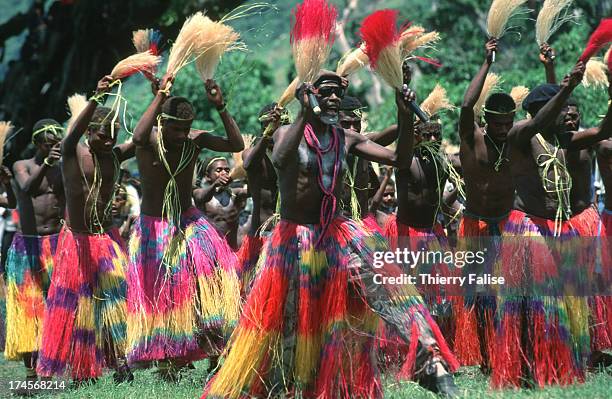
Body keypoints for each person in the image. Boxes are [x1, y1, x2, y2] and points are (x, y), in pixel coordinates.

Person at [203, 70, 458, 399]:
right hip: (295, 241)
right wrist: (305, 114)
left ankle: (430, 363)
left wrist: (404, 113)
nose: (334, 97)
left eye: (338, 91)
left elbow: (399, 158)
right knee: (292, 326)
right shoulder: (285, 133)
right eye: (326, 91)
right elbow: (280, 159)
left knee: (392, 286)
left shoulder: (345, 138)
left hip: (339, 233)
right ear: (310, 94)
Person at [497, 61, 611, 388]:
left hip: (557, 229)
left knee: (562, 300)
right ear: (541, 111)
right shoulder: (521, 134)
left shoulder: (564, 141)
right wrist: (567, 88)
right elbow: (542, 118)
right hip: (527, 229)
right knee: (532, 303)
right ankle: (525, 366)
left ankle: (559, 362)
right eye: (558, 110)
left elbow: (603, 131)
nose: (567, 116)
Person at [127, 74, 243, 379]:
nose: (182, 134)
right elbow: (138, 138)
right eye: (176, 128)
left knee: (208, 282)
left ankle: (212, 349)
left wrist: (220, 107)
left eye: (186, 128)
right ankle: (167, 360)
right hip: (156, 227)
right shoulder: (149, 139)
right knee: (165, 293)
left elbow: (236, 144)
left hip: (189, 220)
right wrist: (160, 96)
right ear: (162, 122)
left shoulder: (196, 139)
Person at [36, 75, 135, 383]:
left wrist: (159, 95)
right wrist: (97, 96)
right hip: (76, 241)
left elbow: (143, 136)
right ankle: (81, 370)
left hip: (105, 238)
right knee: (78, 306)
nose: (110, 140)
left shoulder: (113, 156)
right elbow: (70, 137)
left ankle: (121, 363)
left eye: (114, 134)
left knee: (116, 300)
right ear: (90, 131)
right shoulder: (73, 153)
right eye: (104, 134)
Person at [454, 39, 517, 369]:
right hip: (475, 224)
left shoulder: (517, 139)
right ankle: (480, 354)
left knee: (506, 292)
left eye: (509, 123)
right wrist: (487, 63)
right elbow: (466, 106)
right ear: (487, 120)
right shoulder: (472, 136)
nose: (504, 130)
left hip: (507, 226)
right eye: (498, 124)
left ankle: (506, 350)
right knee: (477, 293)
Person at [5, 118, 63, 382]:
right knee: (30, 308)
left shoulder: (62, 167)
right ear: (38, 143)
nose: (54, 148)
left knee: (59, 306)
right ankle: (31, 371)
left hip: (58, 242)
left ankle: (54, 364)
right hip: (28, 244)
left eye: (57, 143)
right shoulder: (22, 166)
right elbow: (26, 190)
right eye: (49, 144)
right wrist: (48, 164)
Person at [193, 157, 248, 251]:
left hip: (231, 251)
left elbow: (256, 192)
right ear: (207, 176)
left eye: (227, 170)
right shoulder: (199, 193)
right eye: (219, 170)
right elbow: (201, 197)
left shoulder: (236, 194)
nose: (224, 173)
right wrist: (215, 185)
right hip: (208, 251)